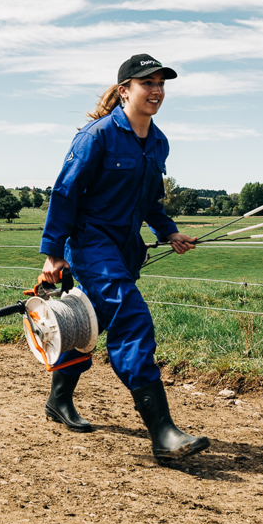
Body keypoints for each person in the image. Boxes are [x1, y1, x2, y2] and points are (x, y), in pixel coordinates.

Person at [38, 53, 209, 461]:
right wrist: (53, 253)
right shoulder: (96, 136)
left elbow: (150, 199)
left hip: (125, 247)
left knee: (86, 322)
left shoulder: (159, 141)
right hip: (91, 243)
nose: (156, 91)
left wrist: (168, 231)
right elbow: (64, 194)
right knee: (131, 319)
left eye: (161, 84)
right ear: (124, 90)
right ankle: (163, 432)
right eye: (147, 83)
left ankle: (58, 400)